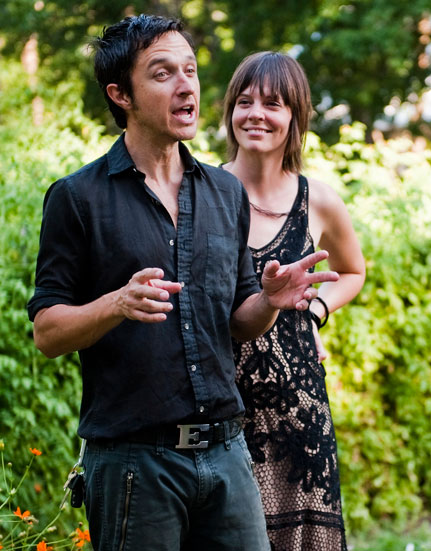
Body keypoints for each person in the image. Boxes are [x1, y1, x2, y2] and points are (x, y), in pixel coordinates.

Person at [27, 15, 338, 551]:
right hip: (133, 463)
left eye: (190, 70)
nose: (186, 85)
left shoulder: (225, 192)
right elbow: (47, 333)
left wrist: (268, 301)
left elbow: (240, 322)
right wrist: (116, 303)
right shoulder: (78, 197)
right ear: (121, 94)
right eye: (162, 73)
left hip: (228, 454)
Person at [221, 51, 365, 551]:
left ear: (295, 116)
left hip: (298, 411)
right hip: (222, 410)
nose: (255, 114)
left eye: (272, 103)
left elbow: (353, 271)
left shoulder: (317, 199)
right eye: (244, 102)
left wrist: (317, 312)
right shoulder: (202, 191)